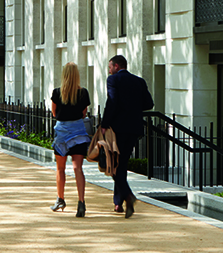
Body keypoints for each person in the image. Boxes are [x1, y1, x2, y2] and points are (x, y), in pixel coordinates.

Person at [100, 54, 153, 218]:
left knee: (114, 166)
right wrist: (133, 107)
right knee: (121, 165)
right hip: (134, 128)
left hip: (117, 129)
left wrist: (104, 124)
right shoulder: (139, 81)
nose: (109, 71)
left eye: (110, 67)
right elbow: (149, 104)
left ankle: (128, 196)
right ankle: (118, 203)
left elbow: (112, 102)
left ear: (116, 66)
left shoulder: (113, 80)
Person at [50, 62, 91, 217]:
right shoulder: (83, 93)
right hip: (78, 133)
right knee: (78, 168)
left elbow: (54, 112)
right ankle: (81, 202)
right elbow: (83, 113)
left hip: (62, 133)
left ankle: (60, 199)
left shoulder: (57, 92)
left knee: (60, 168)